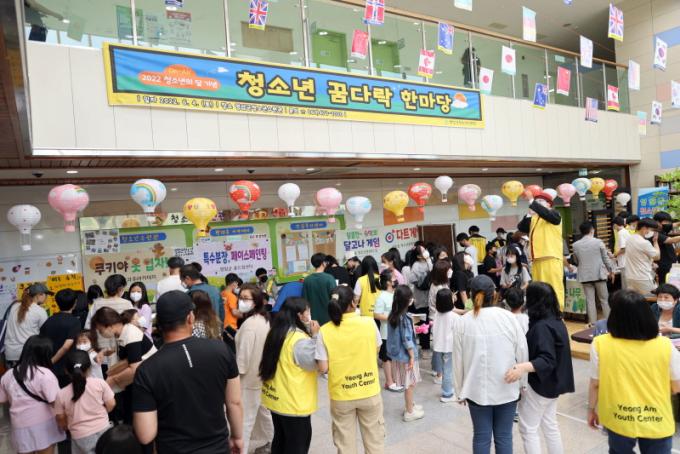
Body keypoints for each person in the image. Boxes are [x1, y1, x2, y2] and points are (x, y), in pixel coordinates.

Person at [133, 291, 244, 454]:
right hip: (218, 447)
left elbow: (145, 435)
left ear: (158, 324)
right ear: (190, 317)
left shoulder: (147, 370)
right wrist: (237, 437)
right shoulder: (221, 350)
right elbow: (234, 402)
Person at [588, 290, 680, 453]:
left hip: (617, 416)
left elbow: (595, 384)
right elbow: (676, 387)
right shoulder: (665, 345)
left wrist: (591, 410)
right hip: (656, 418)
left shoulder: (600, 343)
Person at [454, 275, 528, 454]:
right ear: (494, 294)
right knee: (504, 436)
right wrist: (522, 383)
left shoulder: (463, 322)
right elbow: (522, 352)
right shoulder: (509, 318)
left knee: (481, 436)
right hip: (507, 386)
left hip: (475, 390)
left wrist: (460, 390)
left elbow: (457, 360)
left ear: (471, 296)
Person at [504, 282, 575, 454]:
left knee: (528, 429)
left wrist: (521, 368)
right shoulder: (557, 321)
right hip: (554, 384)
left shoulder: (542, 327)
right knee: (550, 425)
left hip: (540, 386)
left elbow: (547, 359)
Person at [316, 286, 384, 453]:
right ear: (353, 303)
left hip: (341, 395)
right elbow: (377, 348)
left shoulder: (324, 331)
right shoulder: (369, 323)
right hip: (369, 390)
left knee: (345, 445)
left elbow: (323, 368)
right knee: (375, 443)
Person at [260, 297, 319, 454]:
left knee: (280, 439)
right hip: (293, 403)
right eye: (308, 311)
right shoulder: (298, 340)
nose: (309, 314)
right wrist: (315, 337)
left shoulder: (276, 331)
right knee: (297, 445)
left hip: (276, 400)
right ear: (300, 315)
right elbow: (315, 363)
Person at [0, 335, 65, 453]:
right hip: (44, 426)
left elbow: (2, 399)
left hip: (19, 426)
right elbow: (56, 403)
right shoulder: (45, 374)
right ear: (45, 354)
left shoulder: (9, 374)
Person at [91, 307, 157, 424]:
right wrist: (103, 352)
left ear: (110, 326)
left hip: (148, 379)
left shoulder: (130, 333)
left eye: (100, 331)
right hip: (138, 378)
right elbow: (122, 351)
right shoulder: (121, 332)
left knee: (134, 415)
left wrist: (113, 381)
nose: (101, 334)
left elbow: (135, 369)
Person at [234, 284, 273, 454]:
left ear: (256, 301)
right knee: (262, 412)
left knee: (245, 419)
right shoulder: (263, 319)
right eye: (240, 298)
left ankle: (241, 450)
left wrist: (235, 377)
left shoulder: (250, 325)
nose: (241, 301)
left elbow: (243, 357)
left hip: (248, 378)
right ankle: (271, 441)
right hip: (261, 374)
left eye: (246, 298)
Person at [55, 350, 116, 454]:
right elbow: (111, 404)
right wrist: (102, 412)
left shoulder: (61, 394)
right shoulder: (100, 383)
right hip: (103, 429)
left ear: (66, 371)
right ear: (89, 368)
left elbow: (60, 418)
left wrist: (66, 426)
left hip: (80, 436)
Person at [517, 192, 565, 309]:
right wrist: (529, 214)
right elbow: (521, 227)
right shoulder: (534, 218)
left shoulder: (554, 214)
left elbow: (552, 217)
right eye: (536, 201)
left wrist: (532, 202)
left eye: (540, 201)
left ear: (549, 204)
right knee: (538, 290)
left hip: (550, 258)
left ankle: (558, 312)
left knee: (553, 287)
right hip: (536, 260)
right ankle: (542, 312)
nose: (536, 204)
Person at [386, 285, 423, 422]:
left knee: (408, 383)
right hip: (407, 357)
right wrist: (412, 356)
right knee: (410, 384)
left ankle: (410, 405)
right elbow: (407, 339)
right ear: (406, 300)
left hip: (398, 356)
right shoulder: (404, 318)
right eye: (410, 297)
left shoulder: (393, 315)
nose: (412, 299)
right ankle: (409, 412)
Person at [571, 221, 616, 325]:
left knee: (590, 301)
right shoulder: (599, 242)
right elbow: (605, 259)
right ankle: (609, 323)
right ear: (592, 230)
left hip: (584, 276)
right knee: (604, 300)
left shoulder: (575, 245)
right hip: (599, 274)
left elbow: (576, 261)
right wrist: (611, 271)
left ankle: (593, 324)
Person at [39, 288, 81, 387]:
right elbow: (66, 346)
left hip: (51, 368)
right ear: (75, 303)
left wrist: (48, 363)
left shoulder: (49, 320)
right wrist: (52, 361)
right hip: (67, 367)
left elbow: (41, 341)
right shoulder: (74, 321)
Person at [4, 283, 50, 367]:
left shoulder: (14, 306)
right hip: (28, 354)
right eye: (46, 294)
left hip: (10, 353)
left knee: (12, 376)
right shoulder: (40, 311)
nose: (46, 297)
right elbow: (45, 333)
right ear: (39, 295)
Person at [374, 269, 401, 393]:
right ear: (389, 282)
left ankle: (394, 379)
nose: (396, 279)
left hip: (396, 331)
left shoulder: (396, 294)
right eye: (394, 278)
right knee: (387, 358)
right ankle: (389, 382)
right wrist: (392, 318)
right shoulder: (382, 296)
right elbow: (376, 314)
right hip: (386, 333)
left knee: (394, 357)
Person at [432, 288, 460, 404]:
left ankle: (445, 386)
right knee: (448, 370)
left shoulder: (437, 314)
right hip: (449, 347)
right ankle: (447, 394)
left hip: (439, 345)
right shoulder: (454, 317)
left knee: (444, 368)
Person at [624, 218, 660, 295]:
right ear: (644, 228)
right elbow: (657, 256)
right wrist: (655, 242)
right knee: (650, 299)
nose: (652, 232)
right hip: (643, 277)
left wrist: (650, 262)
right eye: (651, 229)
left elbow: (639, 256)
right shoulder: (644, 242)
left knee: (634, 300)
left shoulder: (629, 239)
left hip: (630, 277)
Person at [302, 253, 337, 326]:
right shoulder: (329, 278)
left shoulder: (307, 280)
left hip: (314, 320)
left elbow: (304, 301)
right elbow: (335, 299)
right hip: (328, 318)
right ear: (323, 263)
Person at [653, 211, 680, 284]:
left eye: (669, 221)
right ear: (657, 222)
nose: (668, 224)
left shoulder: (663, 229)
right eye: (666, 221)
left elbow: (674, 225)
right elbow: (671, 240)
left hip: (671, 264)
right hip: (663, 265)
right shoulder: (655, 234)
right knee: (665, 284)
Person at [612, 216, 632, 289]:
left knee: (625, 286)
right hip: (628, 261)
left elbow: (623, 249)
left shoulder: (621, 233)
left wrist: (614, 255)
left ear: (615, 225)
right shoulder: (626, 232)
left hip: (624, 263)